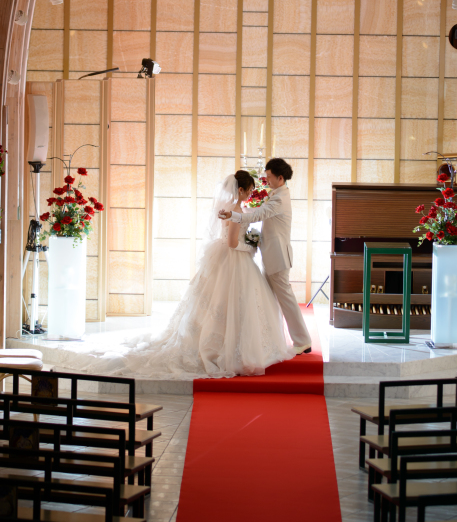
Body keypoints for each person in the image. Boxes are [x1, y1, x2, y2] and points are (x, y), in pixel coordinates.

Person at [43, 170, 295, 379]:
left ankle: (232, 345)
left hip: (230, 261)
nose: (251, 193)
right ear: (240, 190)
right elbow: (231, 243)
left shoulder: (232, 207)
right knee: (230, 305)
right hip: (234, 260)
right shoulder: (236, 208)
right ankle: (230, 350)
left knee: (223, 306)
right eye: (249, 189)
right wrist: (249, 246)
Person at [219, 157, 312, 353]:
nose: (265, 179)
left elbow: (257, 215)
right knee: (270, 299)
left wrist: (234, 216)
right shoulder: (277, 193)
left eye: (268, 176)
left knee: (286, 299)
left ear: (280, 178)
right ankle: (271, 339)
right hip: (272, 255)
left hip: (277, 258)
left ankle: (302, 340)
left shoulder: (279, 198)